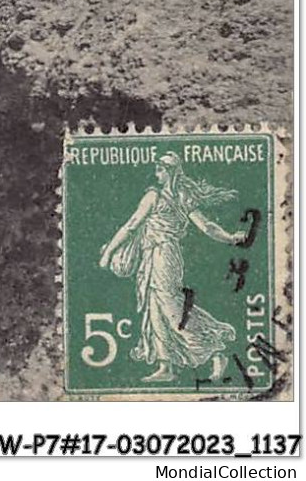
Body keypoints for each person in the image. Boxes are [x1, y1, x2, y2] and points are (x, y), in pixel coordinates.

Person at [99, 152, 243, 384]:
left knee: (171, 306)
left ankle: (215, 350)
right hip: (154, 255)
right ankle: (165, 366)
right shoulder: (180, 196)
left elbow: (131, 225)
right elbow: (206, 227)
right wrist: (230, 238)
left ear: (169, 172)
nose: (156, 174)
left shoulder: (155, 196)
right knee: (154, 307)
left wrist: (108, 253)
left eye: (159, 170)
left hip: (163, 255)